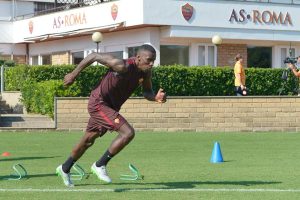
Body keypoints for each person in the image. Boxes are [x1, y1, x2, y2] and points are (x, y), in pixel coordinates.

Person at [56, 44, 167, 187]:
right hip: (99, 103)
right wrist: (73, 74)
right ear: (138, 58)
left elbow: (147, 92)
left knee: (88, 140)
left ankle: (65, 168)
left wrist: (156, 97)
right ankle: (100, 165)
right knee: (128, 133)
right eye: (149, 60)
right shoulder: (122, 66)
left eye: (153, 60)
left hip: (110, 108)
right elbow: (93, 56)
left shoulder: (145, 73)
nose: (151, 64)